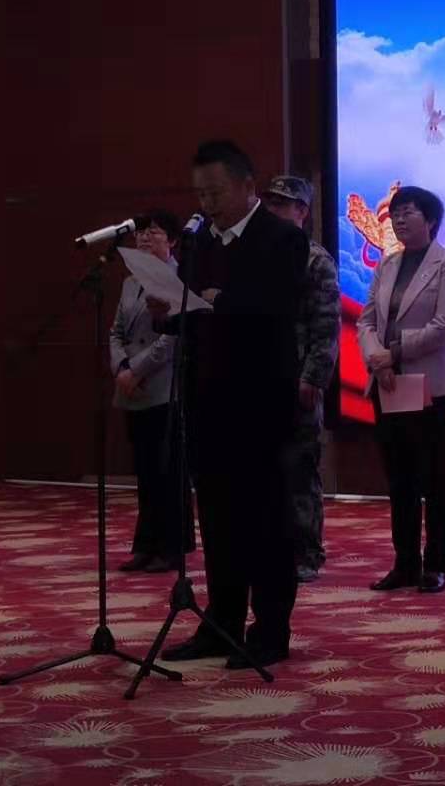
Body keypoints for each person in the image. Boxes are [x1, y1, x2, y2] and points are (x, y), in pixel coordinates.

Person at [154, 140, 309, 670]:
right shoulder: (199, 243)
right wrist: (167, 310)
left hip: (262, 403)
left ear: (247, 186)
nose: (207, 203)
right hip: (206, 400)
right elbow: (191, 312)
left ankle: (270, 630)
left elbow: (277, 307)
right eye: (200, 194)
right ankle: (221, 623)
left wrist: (220, 302)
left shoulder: (282, 238)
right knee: (218, 520)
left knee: (266, 519)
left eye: (215, 192)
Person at [357, 186, 445, 595]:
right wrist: (378, 359)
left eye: (409, 212)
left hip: (430, 385)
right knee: (399, 477)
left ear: (431, 220)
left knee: (433, 478)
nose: (400, 219)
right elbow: (366, 320)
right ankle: (404, 563)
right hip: (387, 382)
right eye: (397, 213)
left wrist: (395, 353)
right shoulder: (388, 265)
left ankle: (436, 565)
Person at [262, 175, 341, 584]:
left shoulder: (315, 260)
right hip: (262, 378)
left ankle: (306, 552)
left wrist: (313, 377)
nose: (273, 210)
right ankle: (271, 548)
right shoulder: (259, 254)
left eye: (283, 204)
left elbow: (326, 326)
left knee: (299, 469)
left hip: (299, 381)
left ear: (303, 211)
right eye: (270, 203)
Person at [110, 210, 194, 574]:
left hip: (164, 385)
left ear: (172, 240)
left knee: (168, 469)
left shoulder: (179, 277)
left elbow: (172, 337)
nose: (145, 238)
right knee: (144, 470)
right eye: (141, 233)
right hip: (132, 386)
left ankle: (172, 547)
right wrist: (121, 368)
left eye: (154, 232)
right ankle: (146, 544)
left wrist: (138, 369)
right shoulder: (131, 281)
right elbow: (116, 331)